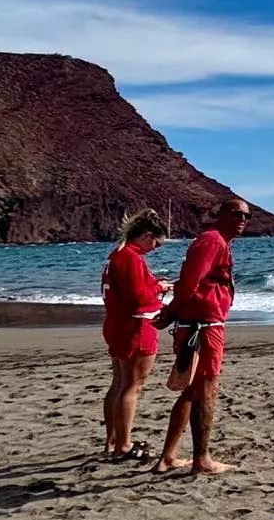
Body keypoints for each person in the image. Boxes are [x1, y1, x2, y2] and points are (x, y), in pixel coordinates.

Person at [152, 197, 250, 476]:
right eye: (236, 214)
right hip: (202, 328)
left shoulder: (217, 243)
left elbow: (189, 283)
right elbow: (188, 284)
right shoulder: (212, 241)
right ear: (220, 215)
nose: (242, 220)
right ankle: (202, 459)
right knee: (206, 390)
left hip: (200, 324)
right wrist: (171, 313)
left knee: (192, 391)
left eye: (246, 215)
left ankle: (168, 457)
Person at [101, 209, 172, 460]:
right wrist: (159, 288)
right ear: (145, 236)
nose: (155, 248)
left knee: (119, 384)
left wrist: (153, 284)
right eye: (156, 242)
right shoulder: (130, 258)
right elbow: (139, 298)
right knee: (132, 386)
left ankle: (113, 441)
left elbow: (130, 291)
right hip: (135, 326)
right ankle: (124, 445)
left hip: (117, 324)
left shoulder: (116, 256)